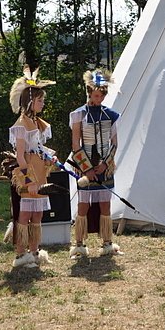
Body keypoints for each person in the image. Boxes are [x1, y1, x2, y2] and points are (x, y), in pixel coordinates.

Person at [68, 69, 122, 258]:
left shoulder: (111, 115)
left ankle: (107, 242)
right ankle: (79, 244)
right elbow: (75, 144)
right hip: (86, 165)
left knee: (105, 204)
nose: (100, 99)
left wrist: (105, 164)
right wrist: (87, 169)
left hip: (105, 167)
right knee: (83, 205)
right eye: (97, 95)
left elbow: (114, 143)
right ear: (89, 93)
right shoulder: (78, 115)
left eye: (102, 95)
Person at [8, 65, 57, 269]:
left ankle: (34, 251)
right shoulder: (21, 125)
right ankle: (21, 254)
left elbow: (37, 148)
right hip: (28, 174)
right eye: (40, 100)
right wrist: (29, 181)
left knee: (38, 214)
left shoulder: (37, 123)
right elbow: (20, 155)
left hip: (39, 172)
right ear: (29, 101)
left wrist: (49, 158)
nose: (42, 104)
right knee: (26, 214)